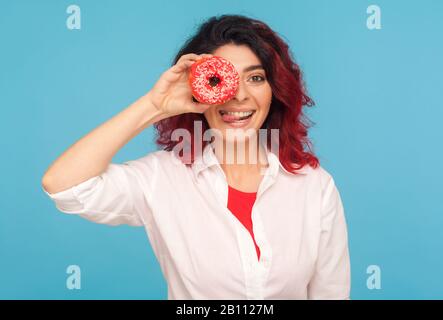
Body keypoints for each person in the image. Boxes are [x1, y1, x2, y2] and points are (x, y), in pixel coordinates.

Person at [42, 14, 351, 300]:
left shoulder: (314, 187)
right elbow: (63, 185)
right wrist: (155, 105)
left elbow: (330, 294)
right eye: (221, 79)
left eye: (255, 78)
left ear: (275, 91)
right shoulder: (162, 179)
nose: (239, 95)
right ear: (197, 90)